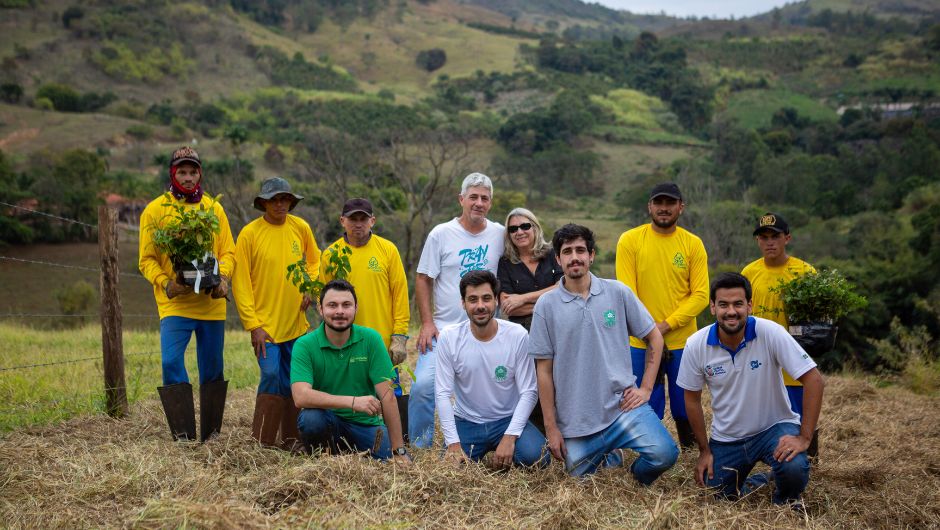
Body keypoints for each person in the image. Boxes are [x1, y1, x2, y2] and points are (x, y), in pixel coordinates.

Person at [528, 224, 678, 481]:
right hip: (577, 421)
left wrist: (645, 389)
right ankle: (609, 454)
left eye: (580, 250)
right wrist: (552, 428)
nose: (574, 257)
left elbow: (654, 337)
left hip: (622, 408)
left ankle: (633, 476)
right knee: (579, 480)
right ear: (558, 259)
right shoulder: (546, 305)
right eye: (567, 251)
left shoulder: (618, 292)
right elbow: (543, 370)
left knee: (665, 454)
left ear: (591, 255)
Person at [678, 273, 824, 507]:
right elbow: (691, 399)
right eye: (723, 304)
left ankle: (784, 502)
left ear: (749, 305)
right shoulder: (696, 344)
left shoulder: (770, 332)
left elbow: (814, 379)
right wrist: (704, 451)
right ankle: (762, 481)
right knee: (713, 492)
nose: (731, 311)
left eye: (738, 304)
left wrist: (804, 437)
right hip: (728, 438)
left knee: (794, 467)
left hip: (773, 428)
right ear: (713, 307)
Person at [139, 146, 235, 442]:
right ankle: (182, 431)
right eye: (182, 171)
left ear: (200, 174)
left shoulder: (213, 209)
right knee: (170, 362)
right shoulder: (156, 210)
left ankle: (211, 433)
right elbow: (146, 259)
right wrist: (167, 283)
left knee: (212, 367)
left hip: (210, 304)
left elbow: (228, 251)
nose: (189, 177)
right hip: (176, 304)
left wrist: (224, 279)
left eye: (193, 172)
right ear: (172, 173)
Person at [411, 172, 505, 448]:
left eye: (484, 198)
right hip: (445, 330)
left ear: (490, 202)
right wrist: (427, 323)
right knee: (422, 388)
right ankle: (420, 448)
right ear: (461, 199)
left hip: (485, 332)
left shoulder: (499, 234)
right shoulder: (441, 234)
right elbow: (423, 278)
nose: (478, 203)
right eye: (473, 197)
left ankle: (486, 442)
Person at [615, 182, 709, 448]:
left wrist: (665, 326)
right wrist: (648, 330)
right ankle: (650, 453)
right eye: (659, 203)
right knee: (644, 403)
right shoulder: (630, 240)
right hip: (640, 343)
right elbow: (626, 293)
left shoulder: (692, 244)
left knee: (685, 407)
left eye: (670, 203)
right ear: (650, 206)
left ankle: (692, 454)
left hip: (683, 343)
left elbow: (701, 295)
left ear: (681, 207)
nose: (664, 208)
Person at [233, 177, 320, 451]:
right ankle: (263, 441)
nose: (280, 204)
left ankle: (293, 439)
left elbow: (315, 260)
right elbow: (241, 283)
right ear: (263, 203)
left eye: (284, 199)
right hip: (265, 327)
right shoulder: (249, 234)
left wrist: (310, 287)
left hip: (295, 324)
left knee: (294, 379)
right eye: (274, 199)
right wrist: (253, 324)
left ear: (291, 202)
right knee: (271, 375)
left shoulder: (301, 228)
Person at [436, 270, 548, 468]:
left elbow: (529, 391)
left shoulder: (517, 335)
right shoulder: (449, 338)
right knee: (450, 468)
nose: (480, 306)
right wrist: (453, 444)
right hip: (467, 421)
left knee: (538, 458)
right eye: (473, 299)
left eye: (486, 298)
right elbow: (443, 393)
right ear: (463, 303)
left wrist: (509, 437)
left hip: (507, 419)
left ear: (496, 301)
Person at [290, 280, 410, 463]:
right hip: (327, 420)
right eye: (332, 305)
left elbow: (388, 396)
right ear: (321, 309)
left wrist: (398, 450)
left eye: (346, 305)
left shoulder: (371, 339)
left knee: (386, 459)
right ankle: (324, 460)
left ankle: (368, 452)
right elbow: (300, 396)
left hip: (367, 425)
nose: (339, 311)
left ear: (356, 308)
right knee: (311, 420)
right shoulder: (305, 345)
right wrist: (353, 402)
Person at [741, 212, 819, 457]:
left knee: (801, 416)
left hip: (793, 360)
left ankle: (809, 462)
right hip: (759, 358)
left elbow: (818, 319)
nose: (769, 242)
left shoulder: (804, 272)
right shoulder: (749, 273)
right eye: (763, 237)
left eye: (775, 236)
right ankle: (773, 460)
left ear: (787, 238)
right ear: (758, 242)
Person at [319, 198, 409, 400]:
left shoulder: (388, 250)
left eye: (363, 218)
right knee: (349, 395)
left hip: (383, 342)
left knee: (389, 396)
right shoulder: (331, 255)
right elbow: (324, 299)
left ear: (372, 221)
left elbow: (400, 294)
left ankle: (395, 433)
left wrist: (400, 336)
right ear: (342, 221)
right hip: (345, 342)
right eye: (352, 219)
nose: (358, 223)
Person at [496, 208, 562, 331]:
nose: (519, 232)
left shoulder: (553, 254)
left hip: (557, 326)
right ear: (509, 234)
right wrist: (553, 302)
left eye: (525, 226)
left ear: (535, 227)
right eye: (513, 229)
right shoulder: (505, 263)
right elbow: (509, 307)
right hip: (523, 332)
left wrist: (522, 299)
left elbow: (563, 288)